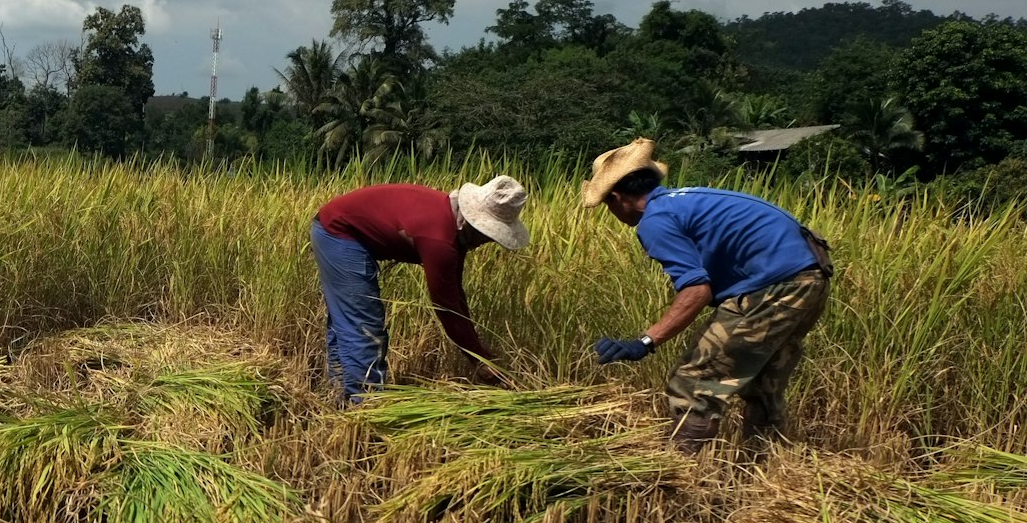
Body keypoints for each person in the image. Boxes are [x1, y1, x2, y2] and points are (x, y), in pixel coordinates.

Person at [584, 137, 833, 453]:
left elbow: (697, 290)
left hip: (776, 285)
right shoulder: (683, 201)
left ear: (618, 197)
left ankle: (682, 474)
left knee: (693, 381)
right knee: (760, 382)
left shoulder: (655, 220)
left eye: (608, 205)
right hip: (810, 276)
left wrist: (644, 342)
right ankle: (762, 469)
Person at [310, 177, 530, 401]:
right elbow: (446, 307)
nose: (487, 241)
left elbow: (455, 294)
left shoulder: (454, 226)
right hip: (338, 232)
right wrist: (477, 358)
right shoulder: (440, 238)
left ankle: (339, 396)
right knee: (363, 325)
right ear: (473, 224)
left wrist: (478, 353)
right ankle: (364, 405)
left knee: (347, 321)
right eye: (488, 234)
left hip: (336, 227)